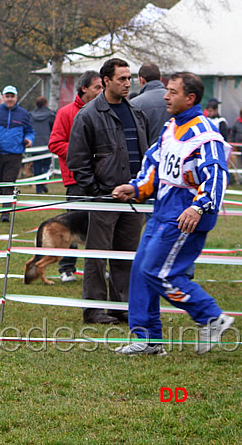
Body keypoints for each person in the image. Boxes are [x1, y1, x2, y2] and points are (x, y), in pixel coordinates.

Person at [112, 72, 234, 355]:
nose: (166, 96)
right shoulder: (170, 127)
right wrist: (136, 188)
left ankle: (211, 317)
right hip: (162, 209)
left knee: (159, 272)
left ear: (190, 98)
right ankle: (147, 340)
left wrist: (197, 207)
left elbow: (217, 177)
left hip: (185, 214)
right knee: (142, 271)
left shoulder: (205, 135)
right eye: (167, 90)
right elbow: (154, 165)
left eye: (173, 92)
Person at [67, 58, 149, 324]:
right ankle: (94, 309)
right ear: (106, 81)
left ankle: (121, 306)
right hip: (104, 198)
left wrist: (140, 187)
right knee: (97, 257)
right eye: (122, 79)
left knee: (126, 255)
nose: (128, 83)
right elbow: (77, 160)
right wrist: (96, 190)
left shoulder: (136, 113)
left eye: (130, 78)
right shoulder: (88, 114)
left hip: (133, 197)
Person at [48, 70, 103, 282]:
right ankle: (67, 267)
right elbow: (55, 143)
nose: (101, 91)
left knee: (98, 225)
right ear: (84, 88)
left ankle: (96, 267)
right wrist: (80, 150)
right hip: (76, 179)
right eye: (97, 87)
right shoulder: (66, 113)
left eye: (102, 87)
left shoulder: (104, 111)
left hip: (101, 179)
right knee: (73, 223)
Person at [0, 85, 35, 222]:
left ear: (16, 97)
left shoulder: (23, 113)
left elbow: (30, 131)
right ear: (3, 98)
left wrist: (29, 139)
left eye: (12, 96)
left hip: (15, 153)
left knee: (9, 182)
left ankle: (6, 213)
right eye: (7, 96)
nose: (10, 99)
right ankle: (3, 195)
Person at [131, 63, 171, 145]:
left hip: (147, 153)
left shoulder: (134, 104)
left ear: (141, 80)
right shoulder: (174, 100)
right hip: (173, 153)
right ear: (160, 78)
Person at [29, 96, 56, 194]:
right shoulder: (51, 115)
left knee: (36, 167)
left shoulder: (31, 115)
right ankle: (44, 181)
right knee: (46, 166)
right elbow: (54, 129)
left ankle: (38, 189)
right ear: (46, 103)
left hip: (35, 145)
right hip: (47, 144)